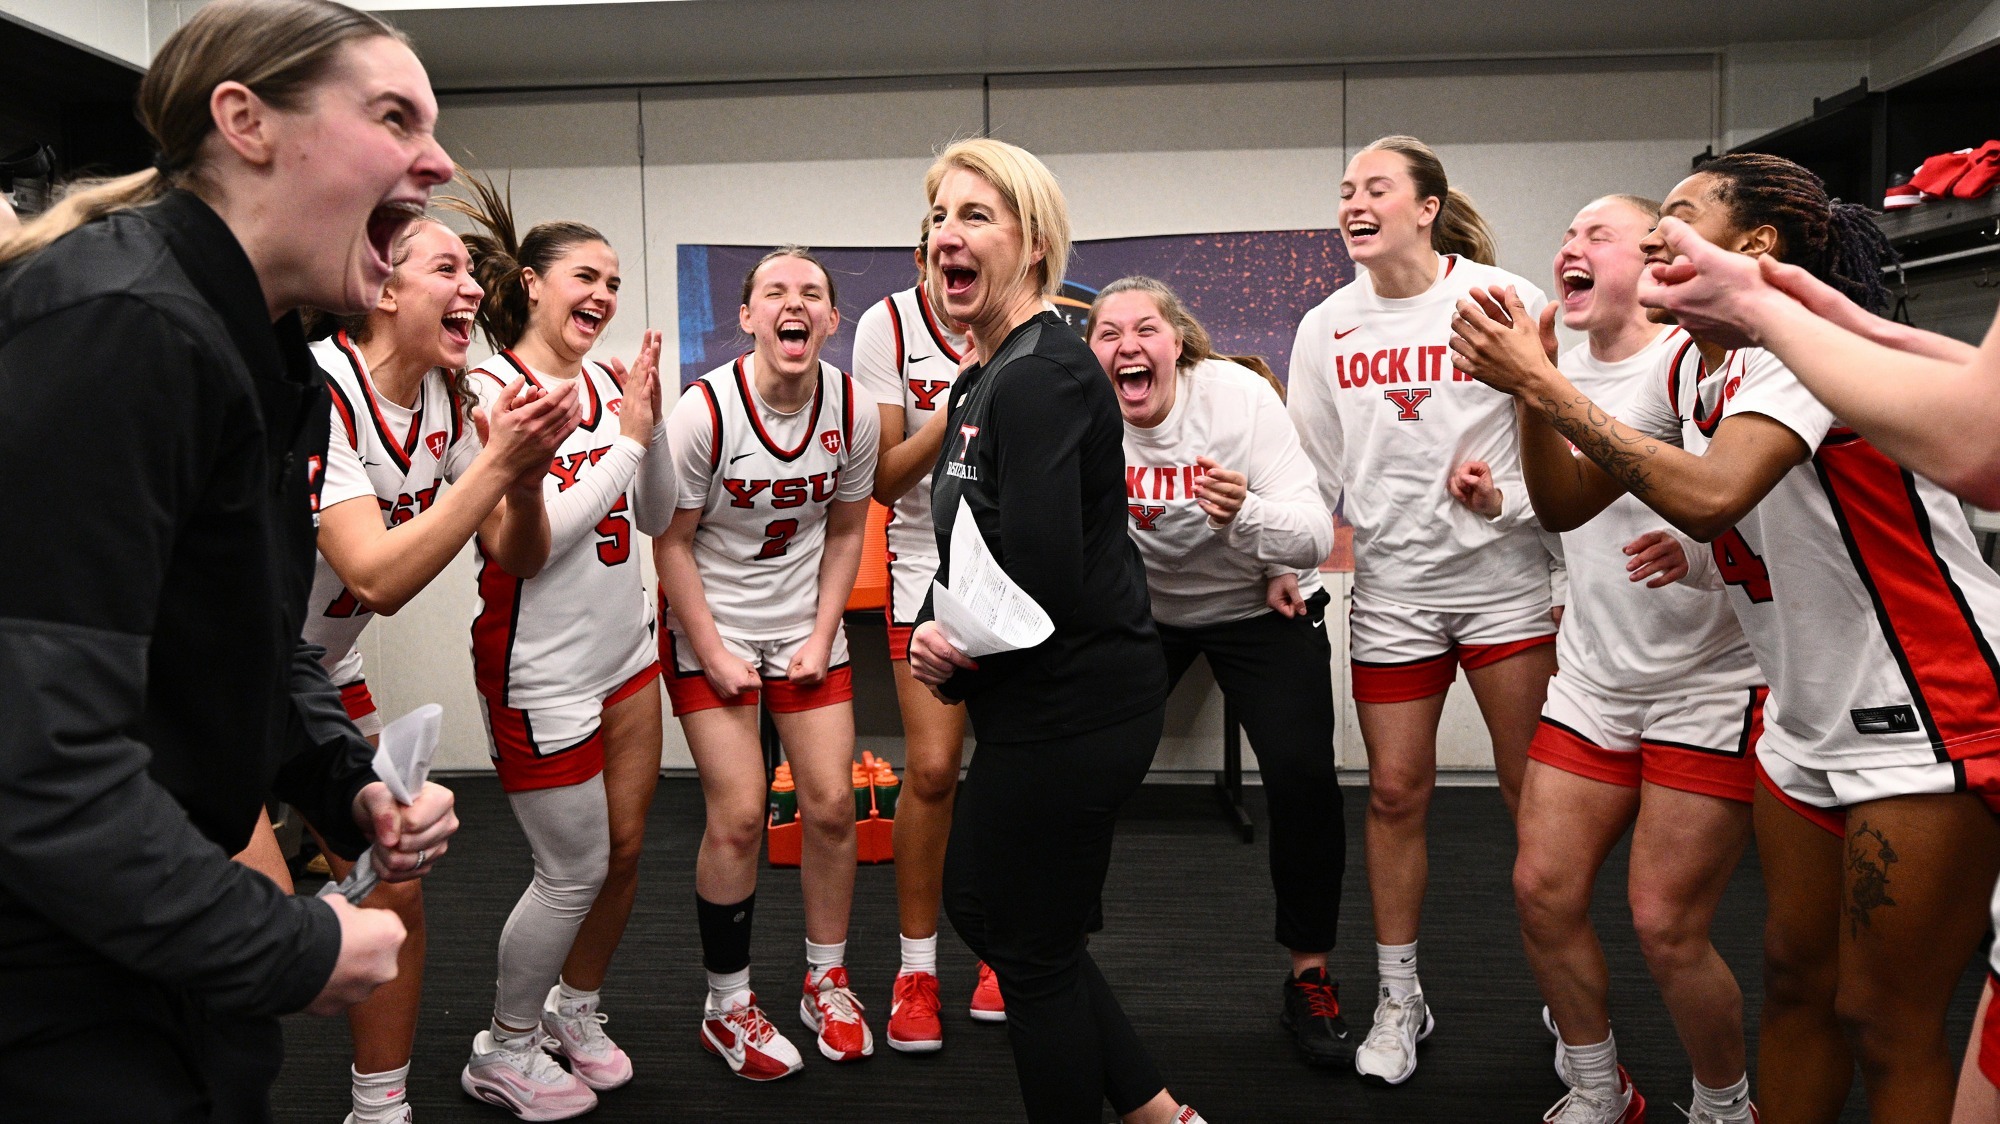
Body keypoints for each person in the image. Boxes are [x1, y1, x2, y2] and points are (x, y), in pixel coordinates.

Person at [1449, 152, 2000, 1124]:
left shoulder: (1797, 344)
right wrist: (1532, 390)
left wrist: (1543, 383)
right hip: (1804, 715)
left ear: (1754, 245)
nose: (1657, 234)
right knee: (1793, 982)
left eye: (1680, 213)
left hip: (1925, 711)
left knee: (1883, 1018)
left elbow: (1710, 497)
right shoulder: (1684, 361)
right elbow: (1568, 500)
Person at [0, 1, 460, 1118]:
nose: (439, 162)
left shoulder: (268, 358)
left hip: (145, 934)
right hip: (51, 974)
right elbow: (37, 756)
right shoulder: (123, 326)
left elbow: (247, 637)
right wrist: (283, 944)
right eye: (394, 118)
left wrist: (343, 780)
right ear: (245, 122)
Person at [905, 137, 1207, 1124]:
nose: (947, 236)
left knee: (1026, 945)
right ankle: (1158, 1113)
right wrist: (932, 621)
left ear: (1033, 243)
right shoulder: (982, 377)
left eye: (975, 215)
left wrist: (949, 654)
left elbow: (1039, 576)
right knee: (996, 912)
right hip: (1038, 697)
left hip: (1077, 703)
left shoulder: (1043, 375)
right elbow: (968, 540)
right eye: (938, 217)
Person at [1469, 195, 1763, 1124]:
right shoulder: (1554, 370)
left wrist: (1702, 550)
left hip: (1707, 684)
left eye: (1598, 234)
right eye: (1567, 234)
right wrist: (1529, 396)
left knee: (1666, 926)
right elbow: (1561, 504)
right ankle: (1601, 1088)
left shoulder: (1695, 362)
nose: (1572, 246)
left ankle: (1724, 1106)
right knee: (1540, 892)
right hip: (1595, 680)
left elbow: (1753, 503)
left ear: (1656, 260)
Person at [1284, 133, 1559, 1087]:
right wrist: (1286, 560)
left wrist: (1504, 500)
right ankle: (1400, 998)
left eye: (1376, 188)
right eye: (1345, 190)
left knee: (1532, 798)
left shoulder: (1504, 300)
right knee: (1396, 795)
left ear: (1428, 207)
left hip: (1503, 589)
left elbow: (1560, 439)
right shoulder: (1327, 326)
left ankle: (1565, 991)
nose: (1354, 204)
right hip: (1394, 594)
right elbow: (1310, 474)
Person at [292, 215, 578, 1124]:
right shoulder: (318, 388)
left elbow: (517, 554)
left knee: (397, 883)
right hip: (218, 683)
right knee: (248, 921)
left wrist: (523, 481)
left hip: (319, 674)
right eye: (446, 268)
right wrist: (496, 466)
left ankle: (380, 1109)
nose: (473, 288)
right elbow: (374, 578)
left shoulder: (446, 401)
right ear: (382, 288)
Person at [450, 176, 672, 1120]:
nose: (605, 295)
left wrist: (648, 424)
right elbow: (526, 549)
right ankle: (502, 1048)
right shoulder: (485, 393)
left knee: (623, 853)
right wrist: (627, 444)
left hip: (627, 657)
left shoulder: (605, 386)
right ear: (531, 285)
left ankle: (570, 1011)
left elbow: (655, 514)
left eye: (614, 282)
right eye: (587, 276)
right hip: (539, 673)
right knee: (569, 870)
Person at [1086, 275, 1350, 1067]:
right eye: (1107, 334)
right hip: (1142, 612)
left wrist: (1249, 521)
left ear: (1178, 343)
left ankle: (1309, 974)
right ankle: (1054, 955)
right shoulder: (1079, 409)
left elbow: (1312, 533)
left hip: (1254, 606)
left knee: (1303, 777)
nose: (1128, 346)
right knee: (1080, 772)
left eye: (1145, 330)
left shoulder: (1236, 400)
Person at [656, 246, 880, 1079]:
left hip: (800, 625)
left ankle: (827, 981)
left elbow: (848, 530)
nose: (796, 304)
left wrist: (820, 636)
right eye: (775, 293)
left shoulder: (852, 408)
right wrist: (712, 651)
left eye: (812, 293)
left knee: (832, 805)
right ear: (747, 317)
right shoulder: (704, 413)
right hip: (710, 623)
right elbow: (669, 543)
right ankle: (727, 1005)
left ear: (830, 319)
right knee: (742, 815)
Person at [851, 217, 1005, 1050]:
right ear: (920, 260)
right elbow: (883, 477)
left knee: (1014, 767)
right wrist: (959, 406)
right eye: (937, 249)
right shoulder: (888, 324)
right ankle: (916, 968)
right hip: (925, 565)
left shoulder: (1025, 319)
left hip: (1015, 571)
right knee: (936, 768)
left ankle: (1002, 950)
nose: (953, 260)